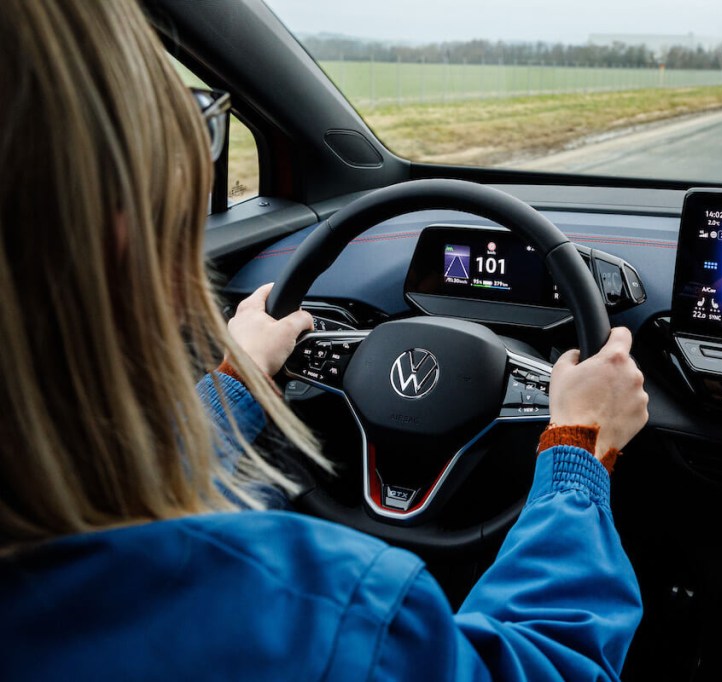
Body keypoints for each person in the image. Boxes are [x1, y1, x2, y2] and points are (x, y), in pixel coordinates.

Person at [0, 1, 649, 680]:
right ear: (117, 241)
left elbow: (127, 499)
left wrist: (239, 376)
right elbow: (551, 662)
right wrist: (578, 446)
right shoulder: (325, 618)